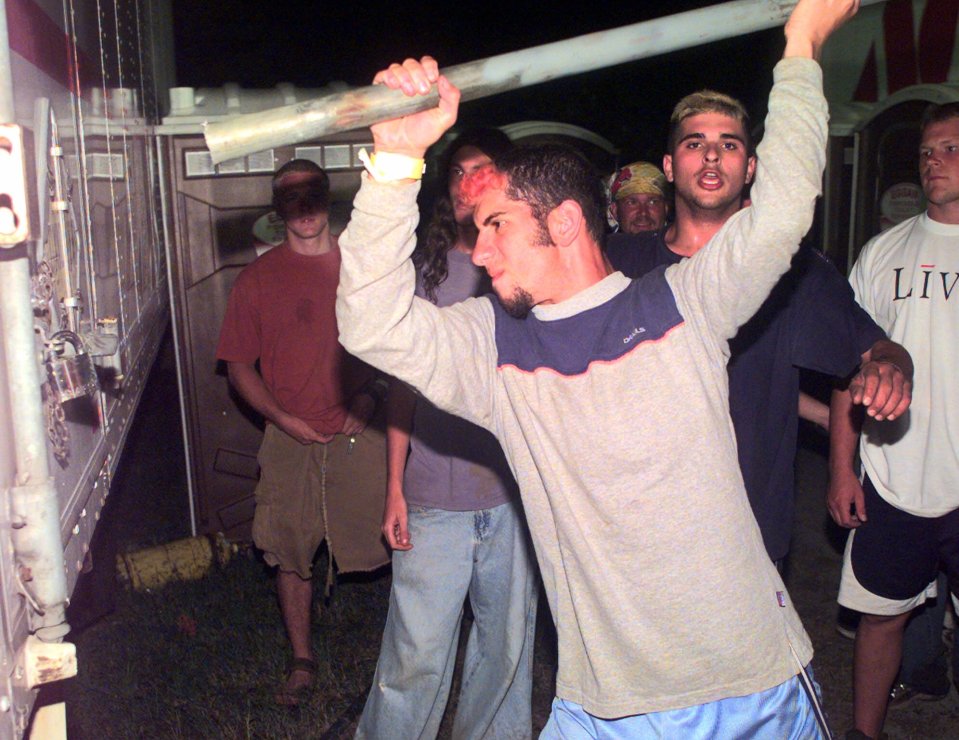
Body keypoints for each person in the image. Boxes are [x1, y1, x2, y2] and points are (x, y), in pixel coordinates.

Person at [337, 0, 857, 734]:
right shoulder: (489, 348)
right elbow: (369, 321)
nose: (477, 252)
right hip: (603, 707)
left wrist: (800, 48)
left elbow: (780, 210)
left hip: (747, 686)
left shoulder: (685, 305)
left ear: (566, 223)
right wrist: (394, 161)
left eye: (495, 228)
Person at [605, 91, 912, 567]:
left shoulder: (790, 271)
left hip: (744, 541)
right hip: (633, 535)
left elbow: (876, 347)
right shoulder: (619, 263)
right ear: (669, 165)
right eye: (694, 143)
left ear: (750, 168)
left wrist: (890, 368)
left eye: (729, 145)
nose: (711, 154)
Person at [356, 129, 538, 739]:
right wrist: (395, 489)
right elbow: (401, 387)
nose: (469, 185)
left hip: (512, 500)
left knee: (506, 655)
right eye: (458, 172)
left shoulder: (529, 270)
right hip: (434, 498)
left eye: (483, 169)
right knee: (416, 658)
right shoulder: (425, 271)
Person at [216, 160, 389, 706]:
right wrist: (279, 416)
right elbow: (239, 365)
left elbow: (401, 341)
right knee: (289, 548)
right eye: (292, 198)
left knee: (394, 538)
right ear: (278, 208)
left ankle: (404, 654)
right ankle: (302, 659)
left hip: (361, 430)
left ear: (328, 200)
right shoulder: (258, 279)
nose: (305, 208)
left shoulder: (364, 266)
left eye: (313, 195)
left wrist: (369, 395)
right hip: (289, 435)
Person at [828, 101, 959, 740]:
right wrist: (841, 470)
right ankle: (865, 733)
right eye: (928, 151)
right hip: (891, 478)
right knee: (881, 617)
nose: (935, 161)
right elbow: (847, 371)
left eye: (951, 149)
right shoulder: (883, 253)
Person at [607, 160, 670, 234]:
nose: (643, 213)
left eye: (652, 202)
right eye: (632, 203)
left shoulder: (685, 244)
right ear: (615, 210)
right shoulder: (600, 245)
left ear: (665, 208)